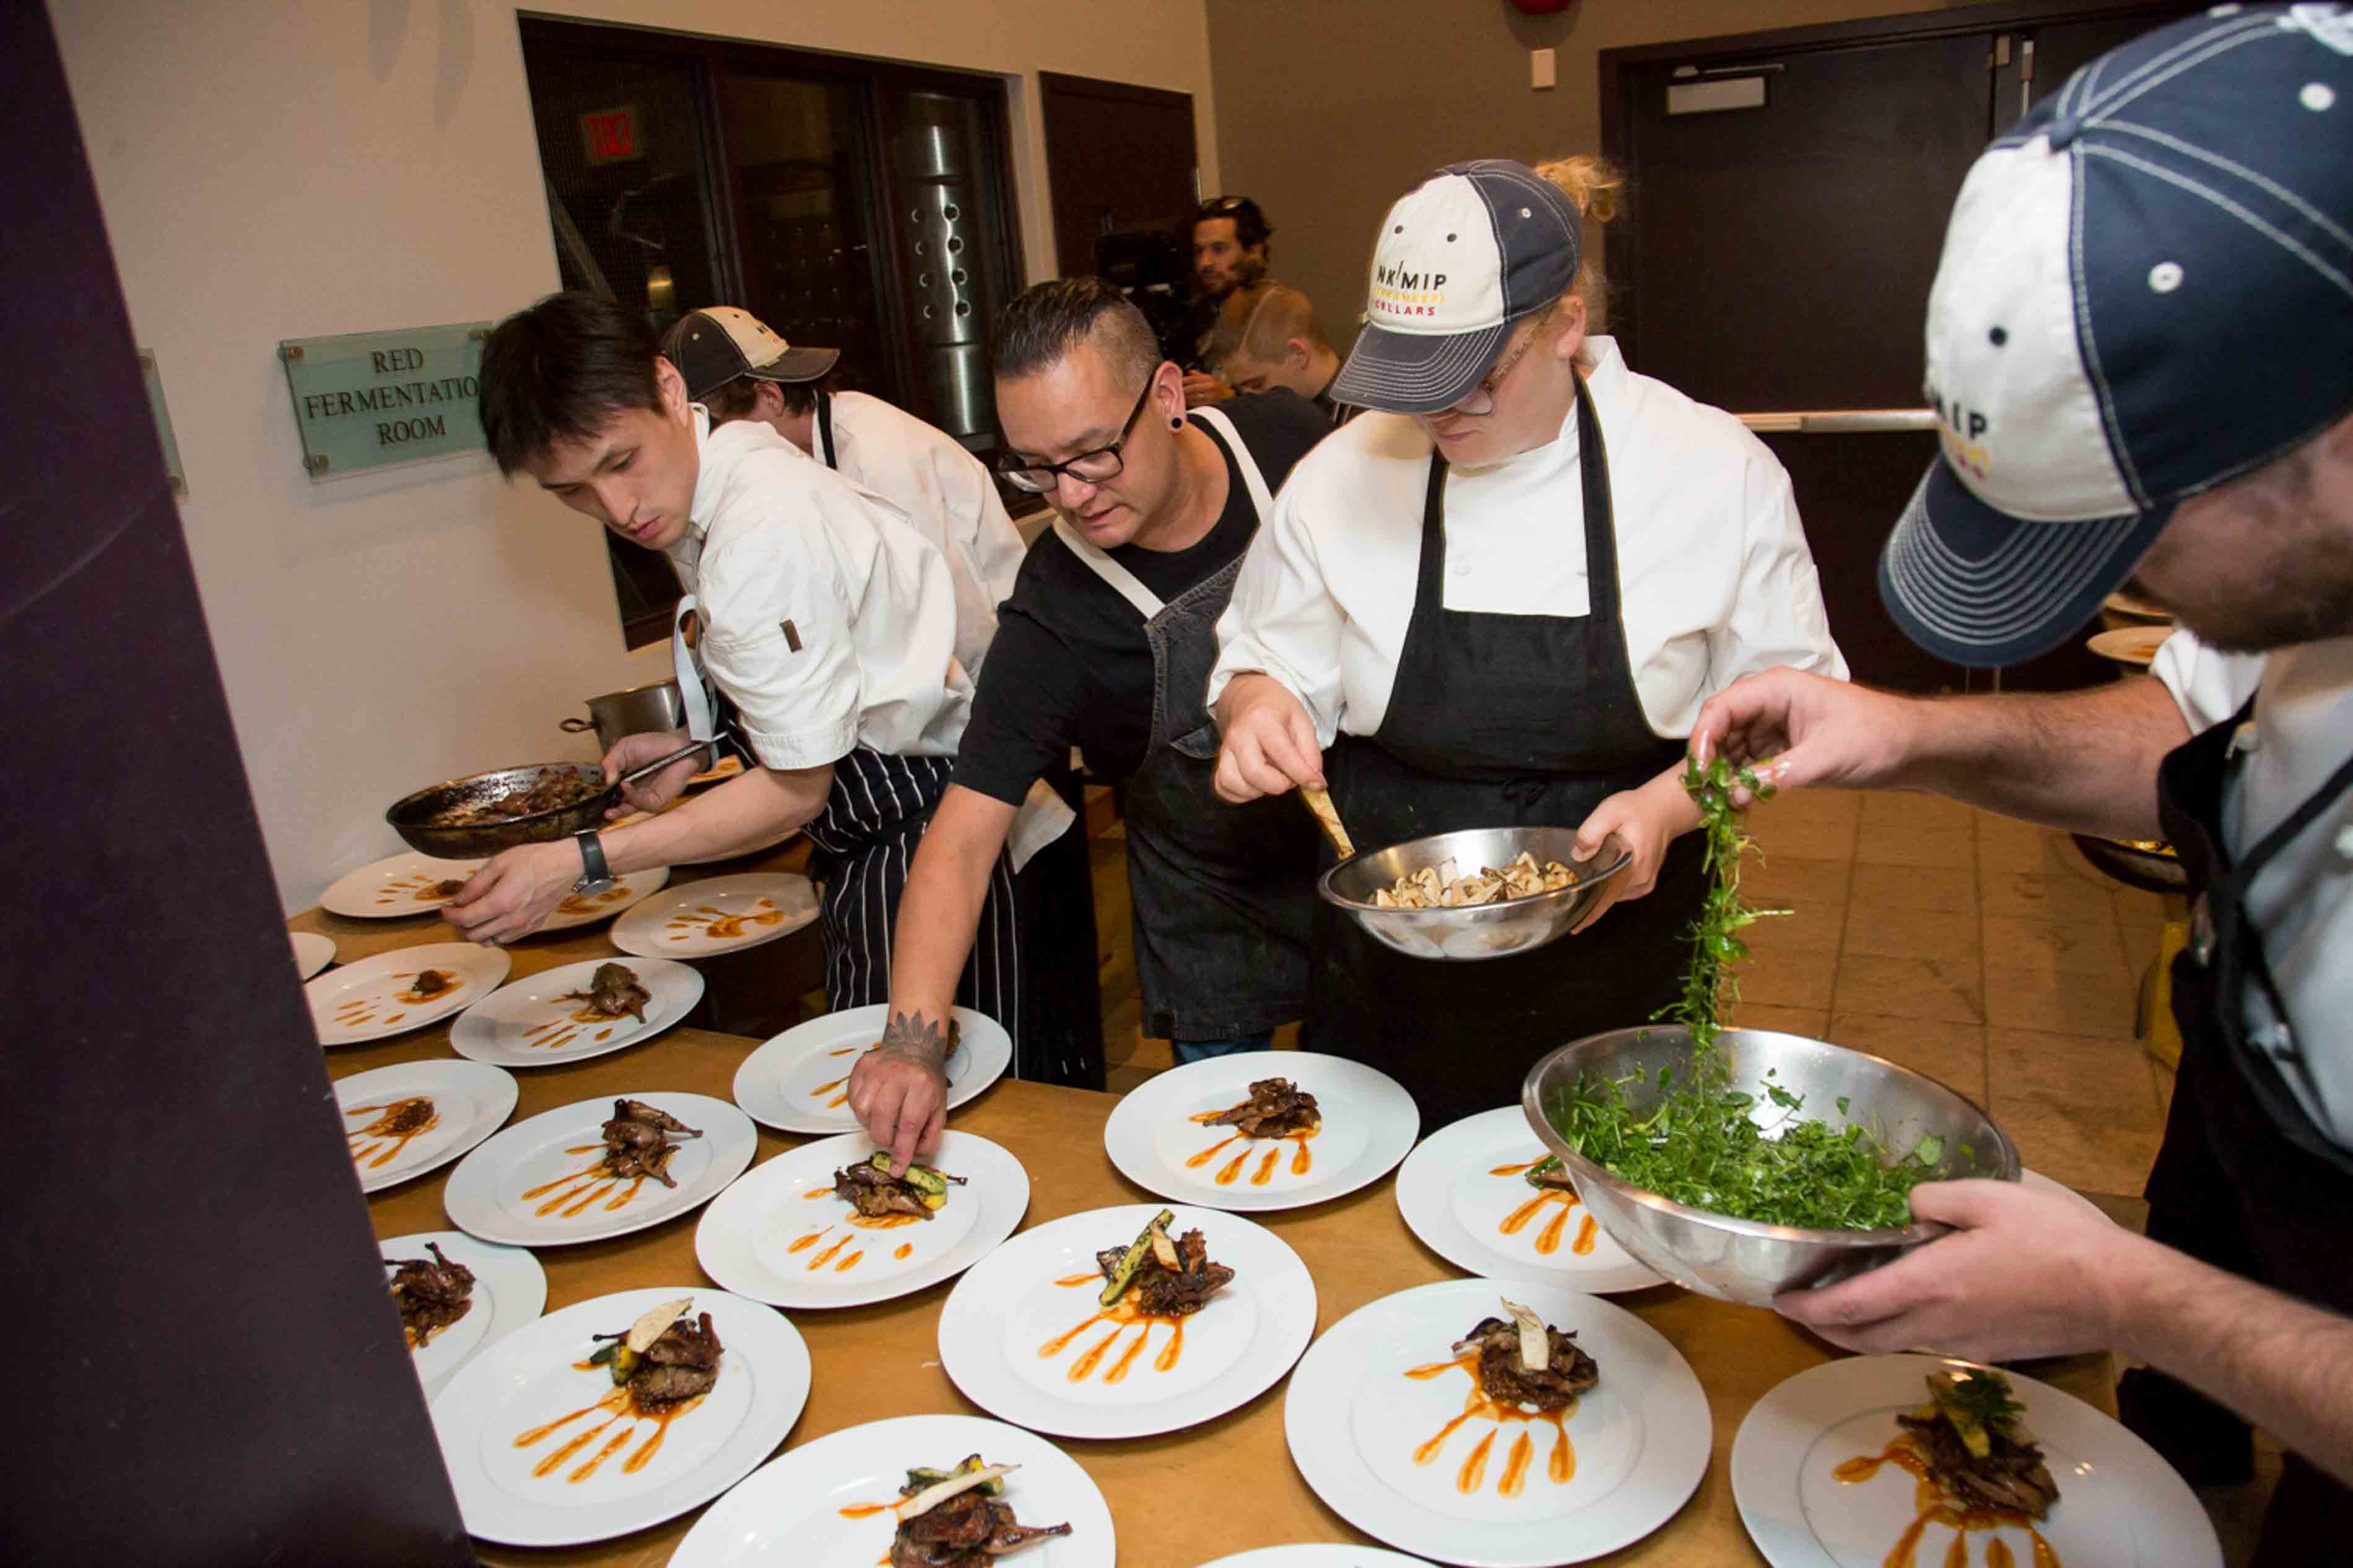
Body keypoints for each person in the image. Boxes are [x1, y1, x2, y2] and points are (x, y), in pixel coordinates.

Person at [1688, 9, 2353, 1553]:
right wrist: (1911, 735)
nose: (2144, 601)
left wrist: (2123, 1292)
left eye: (2126, 542)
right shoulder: (2303, 595)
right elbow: (2188, 738)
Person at [1207, 156, 1846, 1131]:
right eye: (1411, 380)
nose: (1435, 413)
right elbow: (1265, 653)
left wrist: (1674, 808)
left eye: (1473, 380)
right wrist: (1255, 704)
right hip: (1392, 972)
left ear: (1565, 325)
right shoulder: (1343, 471)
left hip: (1620, 956)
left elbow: (1792, 715)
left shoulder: (1712, 472)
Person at [448, 291, 1024, 1060]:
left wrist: (577, 859)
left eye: (621, 462)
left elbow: (797, 789)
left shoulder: (758, 530)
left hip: (916, 850)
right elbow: (832, 666)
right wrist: (701, 746)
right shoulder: (715, 475)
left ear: (668, 385)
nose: (616, 509)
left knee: (911, 1118)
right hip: (890, 831)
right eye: (573, 492)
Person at [846, 277, 1331, 1166]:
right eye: (1036, 467)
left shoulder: (1291, 446)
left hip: (1355, 870)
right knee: (1241, 1167)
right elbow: (960, 839)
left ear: (1170, 396)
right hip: (1210, 917)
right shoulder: (1055, 618)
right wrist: (910, 1046)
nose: (1068, 495)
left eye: (1092, 453)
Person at [663, 303, 1101, 1088]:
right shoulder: (739, 497)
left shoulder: (874, 458)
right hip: (896, 792)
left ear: (767, 402)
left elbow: (966, 649)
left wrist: (979, 806)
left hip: (992, 753)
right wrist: (706, 744)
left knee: (1017, 1020)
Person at [659, 306, 1027, 682]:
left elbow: (957, 615)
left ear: (769, 395)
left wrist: (984, 726)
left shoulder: (876, 453)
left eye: (721, 430)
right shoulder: (803, 463)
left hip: (1001, 667)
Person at [1206, 283, 1352, 426]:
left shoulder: (1364, 422)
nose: (1248, 402)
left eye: (1257, 385)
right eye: (1239, 390)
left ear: (1298, 355)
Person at [1182, 194, 1272, 407]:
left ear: (1253, 251)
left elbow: (1299, 412)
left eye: (1219, 249)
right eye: (1199, 251)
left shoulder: (1278, 311)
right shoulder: (1195, 317)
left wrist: (1231, 398)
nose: (1205, 263)